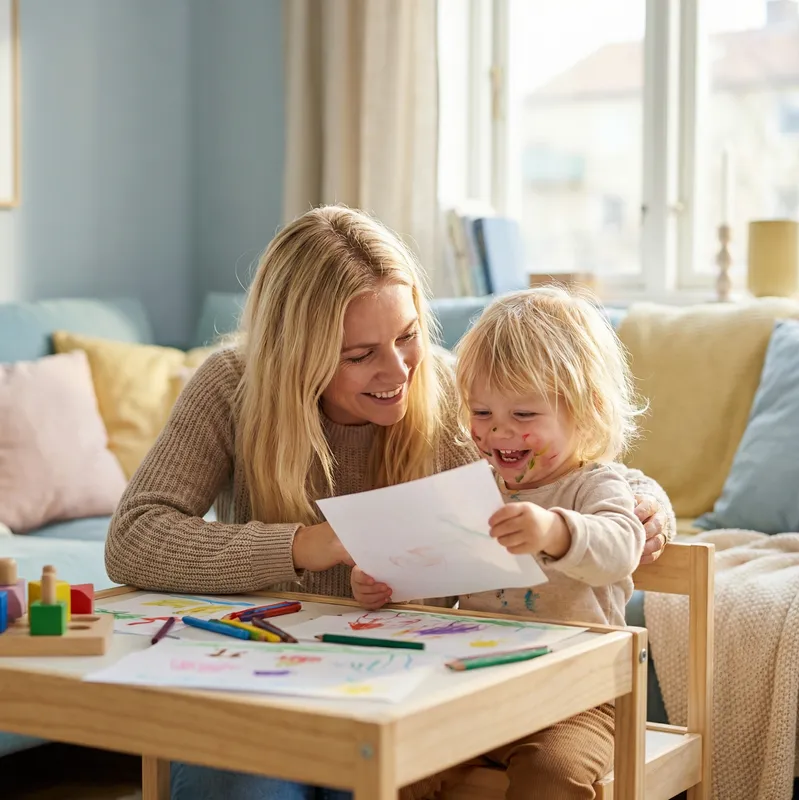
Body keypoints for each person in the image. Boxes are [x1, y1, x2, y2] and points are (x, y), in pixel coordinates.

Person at [104, 207, 673, 800]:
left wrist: (645, 502)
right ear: (296, 352)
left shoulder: (458, 395)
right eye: (360, 355)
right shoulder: (231, 387)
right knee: (242, 785)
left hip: (402, 686)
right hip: (267, 676)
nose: (398, 370)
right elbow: (136, 535)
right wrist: (308, 545)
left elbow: (575, 461)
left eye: (408, 336)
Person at [353, 286, 653, 799]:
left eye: (524, 416)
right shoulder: (476, 483)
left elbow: (621, 545)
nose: (499, 434)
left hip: (576, 701)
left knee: (552, 777)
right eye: (483, 413)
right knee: (398, 757)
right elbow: (438, 569)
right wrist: (388, 579)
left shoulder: (593, 484)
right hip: (473, 685)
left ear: (587, 409)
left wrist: (555, 532)